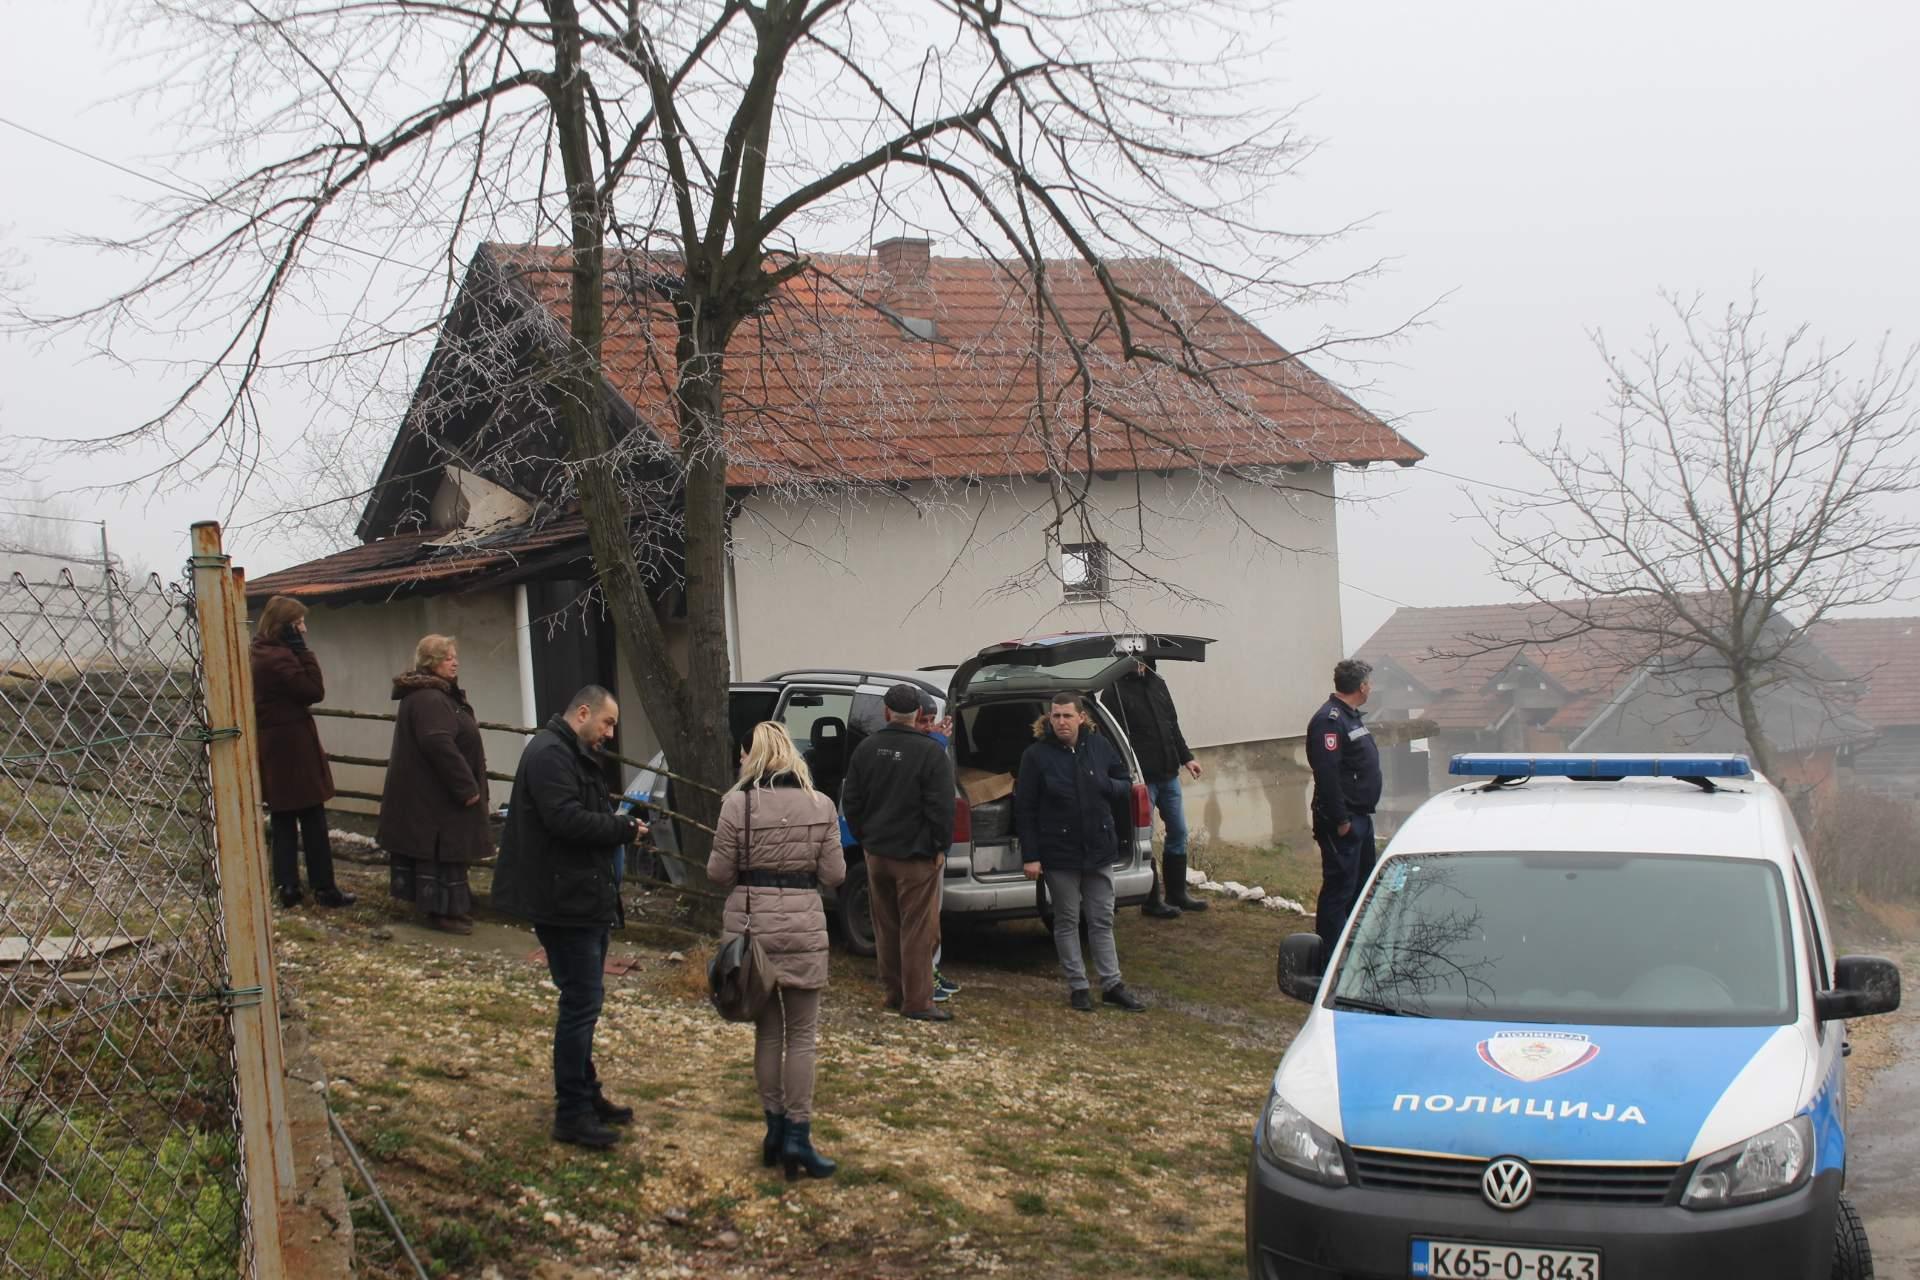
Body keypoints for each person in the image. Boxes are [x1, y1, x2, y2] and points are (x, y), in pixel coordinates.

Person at [490, 686, 647, 1149]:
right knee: (580, 1005)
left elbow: (581, 813)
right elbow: (566, 820)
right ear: (583, 713)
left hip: (581, 897)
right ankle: (572, 1113)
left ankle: (587, 1095)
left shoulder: (568, 752)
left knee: (584, 1002)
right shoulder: (549, 756)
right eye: (607, 723)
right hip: (564, 902)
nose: (610, 734)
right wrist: (622, 829)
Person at [706, 722, 847, 1181]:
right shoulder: (821, 804)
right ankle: (798, 1137)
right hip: (804, 926)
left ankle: (772, 1130)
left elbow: (718, 873)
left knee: (768, 1035)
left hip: (753, 934)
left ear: (753, 755)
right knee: (802, 1037)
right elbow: (834, 874)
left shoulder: (736, 805)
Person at [1017, 693, 1147, 1013]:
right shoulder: (1036, 756)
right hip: (1059, 851)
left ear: (1080, 718)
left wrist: (1105, 784)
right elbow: (1025, 809)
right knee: (1067, 919)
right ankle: (1078, 987)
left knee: (1102, 919)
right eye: (1055, 716)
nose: (1060, 721)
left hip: (1099, 848)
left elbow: (1123, 784)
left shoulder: (1099, 746)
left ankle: (1112, 984)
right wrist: (1031, 856)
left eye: (1066, 716)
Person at [840, 683, 956, 1023]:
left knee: (886, 926)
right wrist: (939, 847)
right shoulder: (931, 753)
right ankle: (918, 1002)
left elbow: (853, 801)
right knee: (918, 930)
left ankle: (894, 992)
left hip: (876, 853)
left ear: (886, 712)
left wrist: (866, 837)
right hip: (916, 856)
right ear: (920, 714)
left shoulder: (866, 749)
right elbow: (941, 808)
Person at [378, 635, 491, 934]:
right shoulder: (429, 698)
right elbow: (437, 743)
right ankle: (441, 910)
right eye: (447, 657)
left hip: (433, 794)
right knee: (439, 851)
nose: (455, 662)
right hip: (434, 796)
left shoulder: (436, 694)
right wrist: (466, 787)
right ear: (430, 663)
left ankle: (452, 908)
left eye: (455, 656)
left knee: (445, 851)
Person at [249, 595, 354, 910]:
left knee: (283, 818)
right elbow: (313, 691)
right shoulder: (279, 658)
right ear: (286, 628)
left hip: (276, 743)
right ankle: (324, 888)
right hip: (291, 745)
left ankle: (289, 886)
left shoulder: (260, 653)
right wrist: (303, 652)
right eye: (298, 624)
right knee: (311, 817)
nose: (304, 629)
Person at [1101, 657, 1208, 918]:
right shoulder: (1113, 691)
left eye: (1143, 660)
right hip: (1141, 778)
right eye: (1134, 660)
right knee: (1144, 838)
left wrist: (1187, 757)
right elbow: (1109, 737)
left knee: (1179, 831)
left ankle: (1177, 893)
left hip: (1168, 773)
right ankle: (1151, 899)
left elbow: (1172, 725)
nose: (1139, 665)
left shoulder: (1158, 684)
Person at [1306, 658, 1382, 951]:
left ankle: (1352, 948)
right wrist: (1341, 819)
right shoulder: (1330, 720)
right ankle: (1330, 956)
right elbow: (1327, 773)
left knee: (1360, 886)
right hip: (1343, 820)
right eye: (1369, 683)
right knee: (1339, 889)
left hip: (1361, 815)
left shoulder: (1351, 716)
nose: (1371, 688)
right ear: (1362, 687)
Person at [913, 693, 962, 1003]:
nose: (928, 727)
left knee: (933, 915)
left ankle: (932, 967)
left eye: (932, 722)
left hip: (933, 846)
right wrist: (938, 744)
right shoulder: (919, 749)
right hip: (916, 848)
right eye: (922, 722)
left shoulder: (933, 746)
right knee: (920, 917)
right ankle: (923, 976)